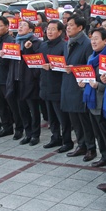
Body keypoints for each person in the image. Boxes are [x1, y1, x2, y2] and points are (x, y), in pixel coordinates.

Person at [81, 27, 106, 168]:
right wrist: (83, 82)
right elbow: (88, 75)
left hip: (104, 102)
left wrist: (98, 86)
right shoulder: (91, 57)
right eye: (92, 38)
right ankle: (104, 156)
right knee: (98, 133)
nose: (93, 41)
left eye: (96, 38)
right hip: (92, 101)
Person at [62, 16, 95, 161]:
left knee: (84, 120)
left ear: (80, 28)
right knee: (74, 119)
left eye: (71, 25)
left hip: (81, 87)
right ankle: (81, 145)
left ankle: (91, 148)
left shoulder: (86, 44)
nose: (67, 27)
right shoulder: (68, 42)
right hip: (69, 85)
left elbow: (91, 67)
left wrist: (74, 69)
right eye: (67, 25)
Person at [6, 20, 42, 145]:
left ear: (31, 30)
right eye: (19, 25)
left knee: (33, 109)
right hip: (16, 79)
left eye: (24, 25)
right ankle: (28, 133)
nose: (20, 27)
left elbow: (37, 61)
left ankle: (35, 135)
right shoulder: (13, 42)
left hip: (30, 81)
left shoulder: (36, 42)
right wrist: (3, 55)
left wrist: (29, 49)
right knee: (22, 109)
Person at [39, 20, 71, 150]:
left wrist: (54, 66)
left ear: (60, 32)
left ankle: (67, 141)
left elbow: (66, 66)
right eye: (48, 29)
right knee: (51, 117)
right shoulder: (43, 45)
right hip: (46, 86)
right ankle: (55, 137)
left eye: (53, 29)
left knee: (63, 118)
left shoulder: (64, 46)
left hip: (58, 87)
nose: (50, 32)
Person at [0, 16, 22, 139]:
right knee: (1, 105)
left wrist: (0, 60)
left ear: (7, 27)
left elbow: (12, 61)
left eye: (0, 25)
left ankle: (19, 128)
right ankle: (6, 127)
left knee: (13, 105)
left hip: (7, 79)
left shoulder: (11, 41)